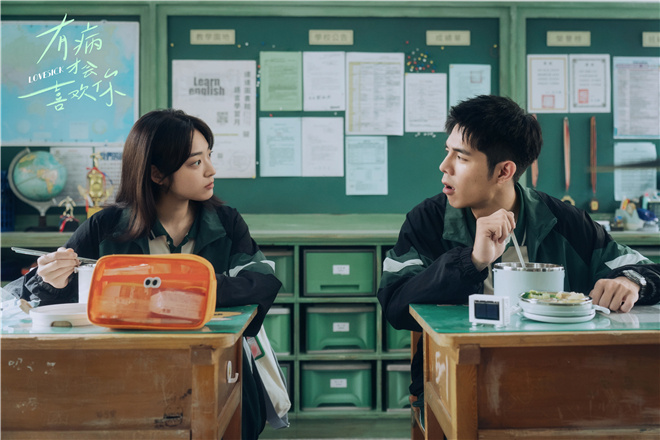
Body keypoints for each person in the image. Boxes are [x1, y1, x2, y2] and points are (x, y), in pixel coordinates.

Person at [377, 95, 660, 418]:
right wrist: (471, 261)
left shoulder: (564, 221)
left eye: (461, 157)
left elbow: (646, 269)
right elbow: (395, 303)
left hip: (556, 380)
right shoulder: (427, 221)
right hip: (456, 379)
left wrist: (632, 281)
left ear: (504, 171)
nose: (445, 166)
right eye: (447, 151)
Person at [19, 108, 282, 439]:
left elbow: (261, 282)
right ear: (157, 174)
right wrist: (50, 280)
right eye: (195, 162)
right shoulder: (105, 226)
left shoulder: (226, 222)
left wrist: (182, 290)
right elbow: (32, 298)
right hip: (122, 376)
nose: (211, 170)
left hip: (214, 369)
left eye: (209, 156)